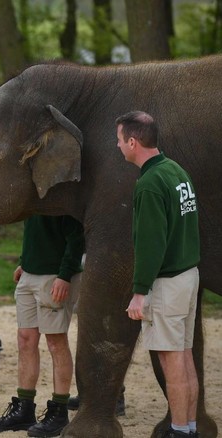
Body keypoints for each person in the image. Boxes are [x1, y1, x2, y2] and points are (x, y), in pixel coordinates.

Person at [116, 111, 200, 438]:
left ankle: (180, 430)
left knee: (171, 362)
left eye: (120, 139)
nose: (118, 144)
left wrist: (140, 291)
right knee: (183, 357)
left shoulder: (150, 183)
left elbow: (152, 243)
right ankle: (189, 427)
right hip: (187, 275)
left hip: (167, 282)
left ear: (133, 142)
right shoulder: (175, 170)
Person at [0, 215, 84, 437]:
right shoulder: (32, 193)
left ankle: (59, 412)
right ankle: (24, 409)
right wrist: (26, 262)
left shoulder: (61, 194)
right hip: (29, 274)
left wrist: (65, 275)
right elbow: (35, 232)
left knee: (56, 341)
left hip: (55, 277)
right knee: (25, 339)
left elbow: (77, 237)